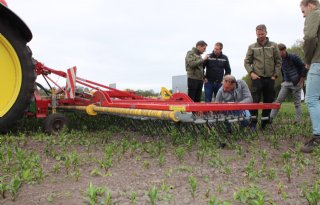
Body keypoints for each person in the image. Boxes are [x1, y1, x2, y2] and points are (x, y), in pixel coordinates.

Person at [244, 24, 282, 129]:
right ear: (256, 33)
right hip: (257, 78)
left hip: (270, 78)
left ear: (266, 33)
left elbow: (278, 61)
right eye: (258, 34)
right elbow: (247, 62)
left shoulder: (273, 45)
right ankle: (253, 123)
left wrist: (275, 75)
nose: (260, 36)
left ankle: (264, 124)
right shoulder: (252, 47)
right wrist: (251, 73)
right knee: (254, 101)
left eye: (262, 33)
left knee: (268, 101)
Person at [300, 0, 320, 153]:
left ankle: (318, 136)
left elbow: (310, 38)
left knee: (312, 99)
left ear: (310, 5)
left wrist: (307, 60)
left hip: (318, 61)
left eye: (303, 11)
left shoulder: (315, 14)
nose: (303, 15)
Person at [270, 43, 307, 124]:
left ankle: (298, 121)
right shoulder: (279, 60)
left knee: (297, 103)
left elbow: (303, 67)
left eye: (280, 51)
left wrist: (301, 80)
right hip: (286, 83)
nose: (279, 53)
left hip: (296, 82)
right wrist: (283, 80)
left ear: (284, 50)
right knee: (278, 101)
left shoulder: (293, 57)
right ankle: (270, 119)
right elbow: (282, 70)